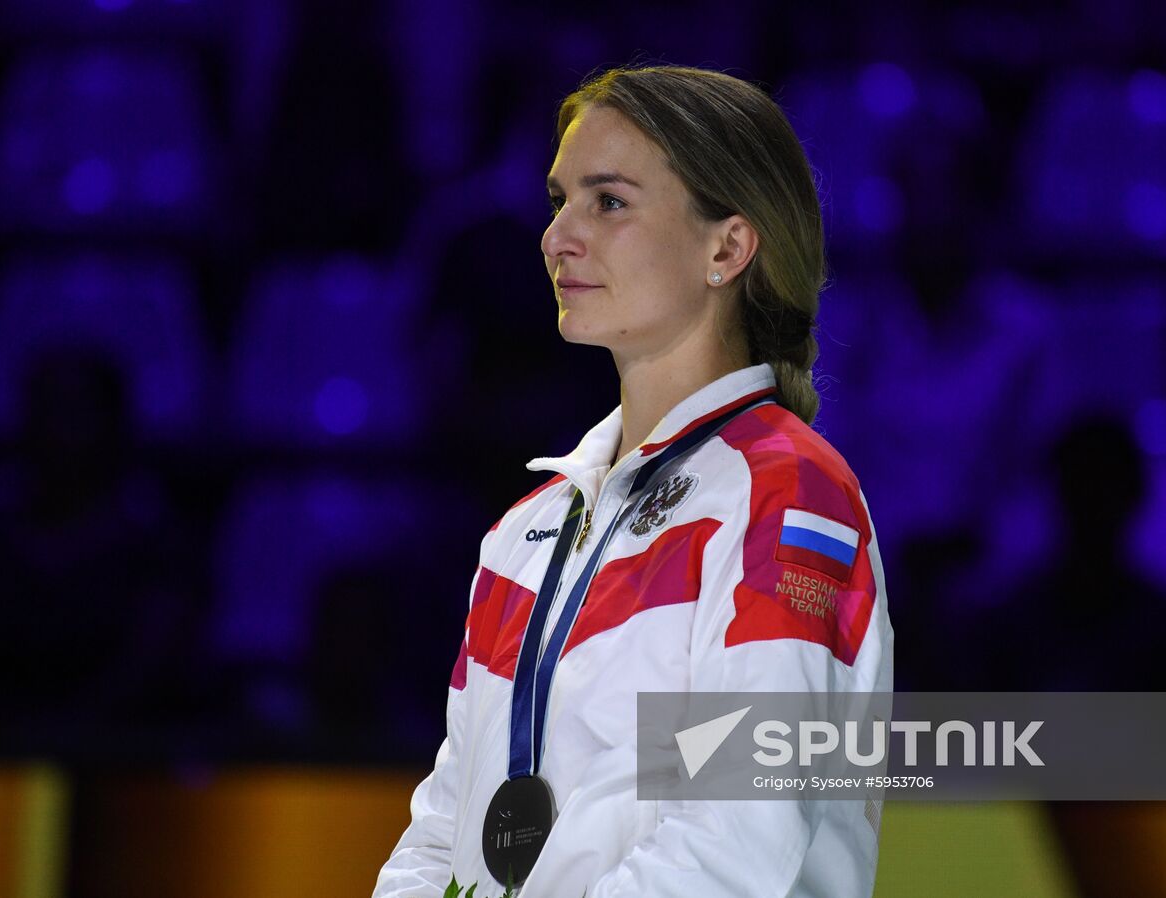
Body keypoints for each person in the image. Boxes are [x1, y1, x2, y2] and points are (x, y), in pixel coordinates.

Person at [374, 64, 894, 898]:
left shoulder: (789, 493)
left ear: (726, 247)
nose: (556, 237)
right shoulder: (525, 532)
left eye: (607, 202)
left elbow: (736, 845)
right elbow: (440, 831)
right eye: (558, 201)